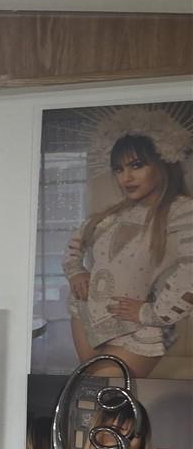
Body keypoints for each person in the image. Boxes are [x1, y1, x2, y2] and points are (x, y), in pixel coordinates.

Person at [63, 112, 193, 378]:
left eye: (136, 165)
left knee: (109, 393)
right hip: (86, 313)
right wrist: (76, 272)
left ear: (163, 163)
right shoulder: (111, 215)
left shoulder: (182, 211)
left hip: (140, 328)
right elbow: (73, 248)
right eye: (119, 169)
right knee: (92, 391)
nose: (126, 177)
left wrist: (152, 313)